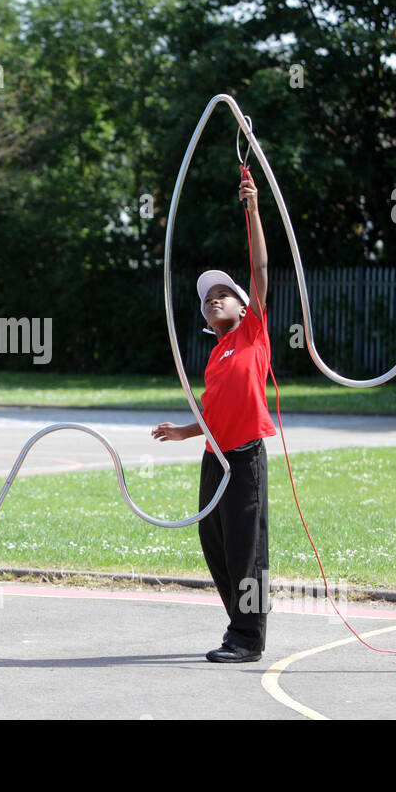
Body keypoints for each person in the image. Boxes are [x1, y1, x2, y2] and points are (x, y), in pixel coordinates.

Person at [151, 171, 276, 663]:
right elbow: (213, 409)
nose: (213, 300)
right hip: (214, 457)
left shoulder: (252, 334)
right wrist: (185, 431)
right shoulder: (216, 354)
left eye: (222, 294)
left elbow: (261, 269)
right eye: (206, 298)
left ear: (244, 308)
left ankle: (249, 636)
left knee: (247, 549)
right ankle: (237, 625)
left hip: (244, 457)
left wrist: (253, 209)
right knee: (215, 542)